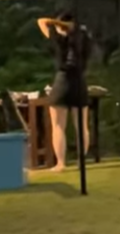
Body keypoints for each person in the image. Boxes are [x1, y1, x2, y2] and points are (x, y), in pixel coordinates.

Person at [36, 11, 91, 172]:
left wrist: (57, 24)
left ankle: (61, 163)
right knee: (81, 125)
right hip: (80, 80)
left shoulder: (59, 38)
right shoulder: (83, 38)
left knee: (58, 125)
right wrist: (70, 26)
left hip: (63, 79)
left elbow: (41, 21)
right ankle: (81, 161)